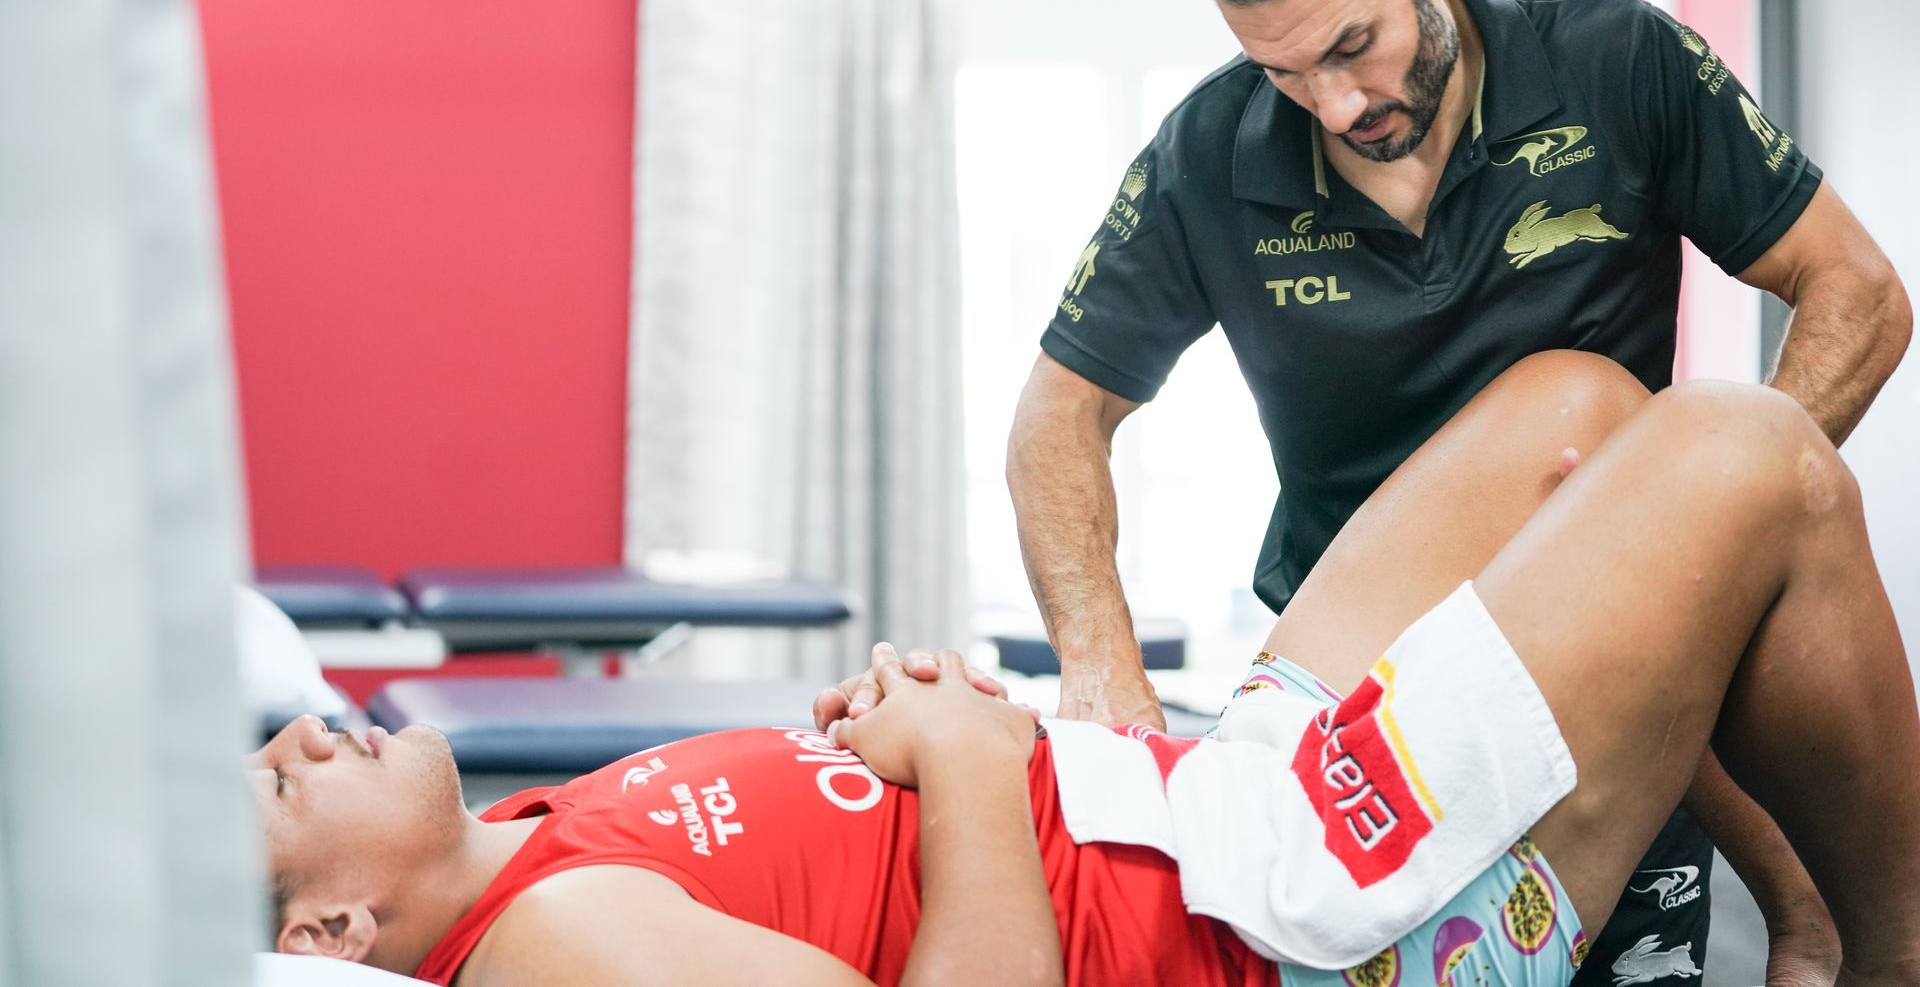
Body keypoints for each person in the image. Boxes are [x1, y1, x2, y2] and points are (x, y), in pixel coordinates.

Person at [1009, 0, 1912, 982]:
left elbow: (1856, 290)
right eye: (1282, 72)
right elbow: (1058, 416)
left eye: (1350, 47)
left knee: (1608, 427)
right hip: (1364, 702)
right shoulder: (1209, 154)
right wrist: (1100, 669)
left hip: (1619, 673)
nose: (1334, 105)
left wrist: (1715, 511)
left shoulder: (1620, 64)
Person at [258, 354, 1920, 987]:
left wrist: (913, 740)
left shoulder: (535, 840)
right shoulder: (541, 946)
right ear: (326, 934)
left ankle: (1808, 911)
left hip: (1209, 807)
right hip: (1298, 930)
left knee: (1572, 403)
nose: (304, 738)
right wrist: (970, 751)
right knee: (1743, 452)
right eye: (282, 784)